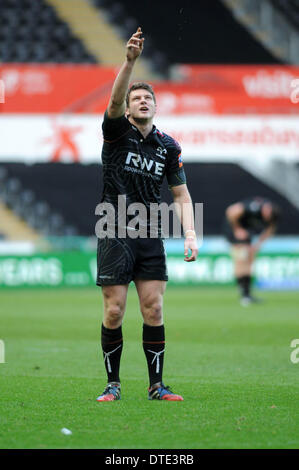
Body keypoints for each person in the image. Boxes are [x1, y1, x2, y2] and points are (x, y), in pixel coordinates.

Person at [95, 27, 198, 402]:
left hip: (150, 232)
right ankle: (113, 384)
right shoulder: (116, 132)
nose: (140, 101)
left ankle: (157, 385)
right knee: (115, 310)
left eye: (146, 98)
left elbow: (181, 194)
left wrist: (190, 233)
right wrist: (129, 61)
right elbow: (113, 100)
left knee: (153, 307)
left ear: (155, 106)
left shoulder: (168, 146)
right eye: (135, 98)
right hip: (114, 228)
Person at [224, 196, 280, 306]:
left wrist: (258, 244)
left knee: (249, 259)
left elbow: (270, 229)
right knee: (242, 258)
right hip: (233, 229)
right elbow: (231, 211)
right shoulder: (253, 207)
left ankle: (246, 294)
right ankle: (245, 295)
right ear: (266, 209)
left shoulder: (274, 214)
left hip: (247, 232)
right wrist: (237, 229)